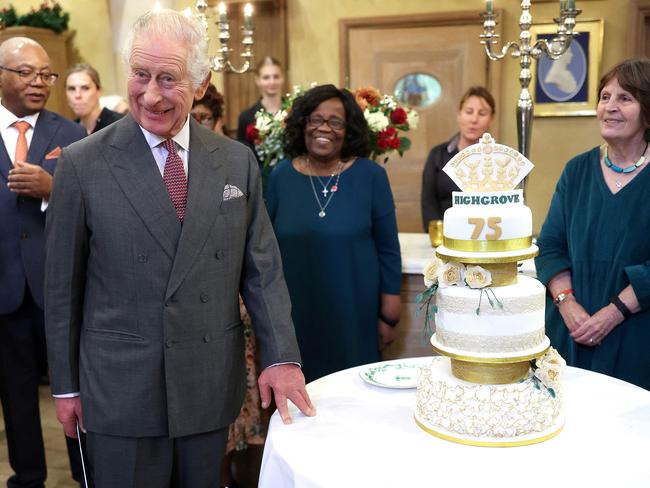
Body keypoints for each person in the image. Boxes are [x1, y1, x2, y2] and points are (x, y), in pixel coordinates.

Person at [44, 9, 315, 488]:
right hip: (118, 388)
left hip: (207, 381)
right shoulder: (83, 164)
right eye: (140, 74)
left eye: (168, 79)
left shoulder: (236, 162)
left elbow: (262, 271)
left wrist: (282, 358)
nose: (150, 95)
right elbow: (62, 291)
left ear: (202, 82)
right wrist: (64, 386)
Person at [266, 84, 402, 383]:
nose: (323, 128)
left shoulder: (370, 177)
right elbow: (266, 248)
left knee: (355, 394)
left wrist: (389, 313)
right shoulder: (281, 177)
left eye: (335, 121)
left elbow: (388, 249)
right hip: (295, 312)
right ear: (303, 124)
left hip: (354, 311)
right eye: (315, 119)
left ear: (348, 129)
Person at [0, 37, 87, 488]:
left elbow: (95, 206)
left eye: (46, 74)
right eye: (26, 72)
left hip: (59, 285)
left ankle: (86, 473)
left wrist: (54, 189)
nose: (39, 82)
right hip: (5, 289)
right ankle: (27, 477)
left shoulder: (70, 134)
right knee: (15, 395)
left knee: (74, 387)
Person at [536, 58, 650, 391]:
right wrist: (567, 305)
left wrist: (613, 313)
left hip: (636, 334)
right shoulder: (576, 171)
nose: (610, 107)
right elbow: (550, 246)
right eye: (605, 97)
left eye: (625, 98)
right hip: (569, 331)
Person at [192, 85, 266, 488]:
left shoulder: (237, 161)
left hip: (236, 311)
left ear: (218, 119)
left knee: (245, 410)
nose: (197, 124)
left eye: (204, 117)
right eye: (194, 116)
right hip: (195, 314)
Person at [420, 86, 495, 231]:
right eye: (468, 112)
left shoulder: (498, 159)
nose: (474, 119)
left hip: (486, 236)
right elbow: (429, 203)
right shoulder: (437, 154)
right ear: (459, 114)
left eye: (482, 113)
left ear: (491, 118)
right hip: (445, 237)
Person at [236, 56, 284, 159]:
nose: (272, 82)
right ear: (258, 80)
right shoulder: (246, 117)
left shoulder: (293, 111)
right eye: (266, 77)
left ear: (282, 78)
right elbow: (244, 156)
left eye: (276, 76)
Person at [65, 63, 123, 134]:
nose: (77, 95)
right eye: (72, 89)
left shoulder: (119, 124)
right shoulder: (68, 131)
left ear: (99, 91)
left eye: (85, 88)